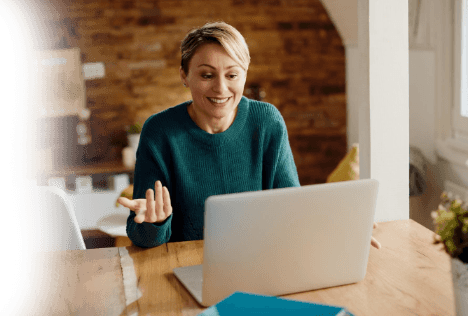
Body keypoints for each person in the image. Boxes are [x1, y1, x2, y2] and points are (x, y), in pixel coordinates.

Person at [117, 21, 381, 250]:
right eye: (207, 75)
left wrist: (337, 225)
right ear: (184, 76)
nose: (221, 88)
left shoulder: (266, 121)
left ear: (245, 74)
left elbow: (290, 205)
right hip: (184, 271)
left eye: (232, 74)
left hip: (260, 262)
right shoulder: (159, 132)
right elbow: (141, 236)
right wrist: (155, 223)